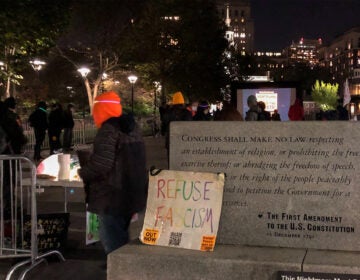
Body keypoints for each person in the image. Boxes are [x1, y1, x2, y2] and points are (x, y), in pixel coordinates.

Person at [78, 91, 147, 255]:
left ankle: (119, 271)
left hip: (112, 196)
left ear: (102, 109)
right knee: (121, 237)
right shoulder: (132, 129)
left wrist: (83, 172)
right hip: (132, 193)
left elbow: (101, 164)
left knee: (113, 243)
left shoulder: (108, 130)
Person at [162, 91, 192, 159]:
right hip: (183, 140)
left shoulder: (168, 112)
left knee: (171, 160)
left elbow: (164, 123)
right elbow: (189, 126)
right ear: (182, 102)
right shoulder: (187, 113)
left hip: (171, 140)